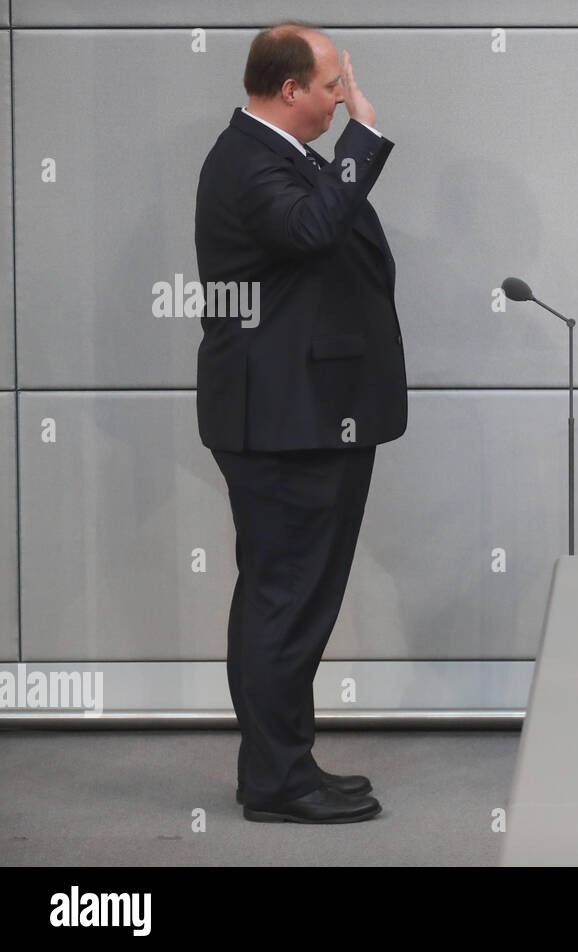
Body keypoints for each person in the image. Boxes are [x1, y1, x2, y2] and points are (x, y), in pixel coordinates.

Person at [194, 22, 407, 822]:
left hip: (305, 416)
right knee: (285, 600)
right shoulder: (248, 160)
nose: (339, 101)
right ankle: (278, 782)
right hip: (288, 423)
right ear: (289, 90)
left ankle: (285, 765)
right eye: (329, 89)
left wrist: (347, 136)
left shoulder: (272, 154)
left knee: (285, 598)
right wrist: (366, 132)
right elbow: (312, 230)